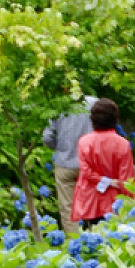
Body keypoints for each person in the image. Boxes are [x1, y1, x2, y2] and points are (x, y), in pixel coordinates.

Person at [71, 98, 135, 228]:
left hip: (90, 199)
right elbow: (127, 179)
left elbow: (86, 171)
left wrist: (103, 180)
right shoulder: (122, 144)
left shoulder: (84, 142)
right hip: (114, 200)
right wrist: (131, 203)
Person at [42, 97, 95, 236]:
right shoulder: (94, 103)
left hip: (65, 163)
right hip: (90, 163)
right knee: (93, 203)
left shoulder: (57, 107)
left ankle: (74, 243)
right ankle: (96, 240)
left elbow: (47, 137)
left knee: (68, 207)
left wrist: (60, 148)